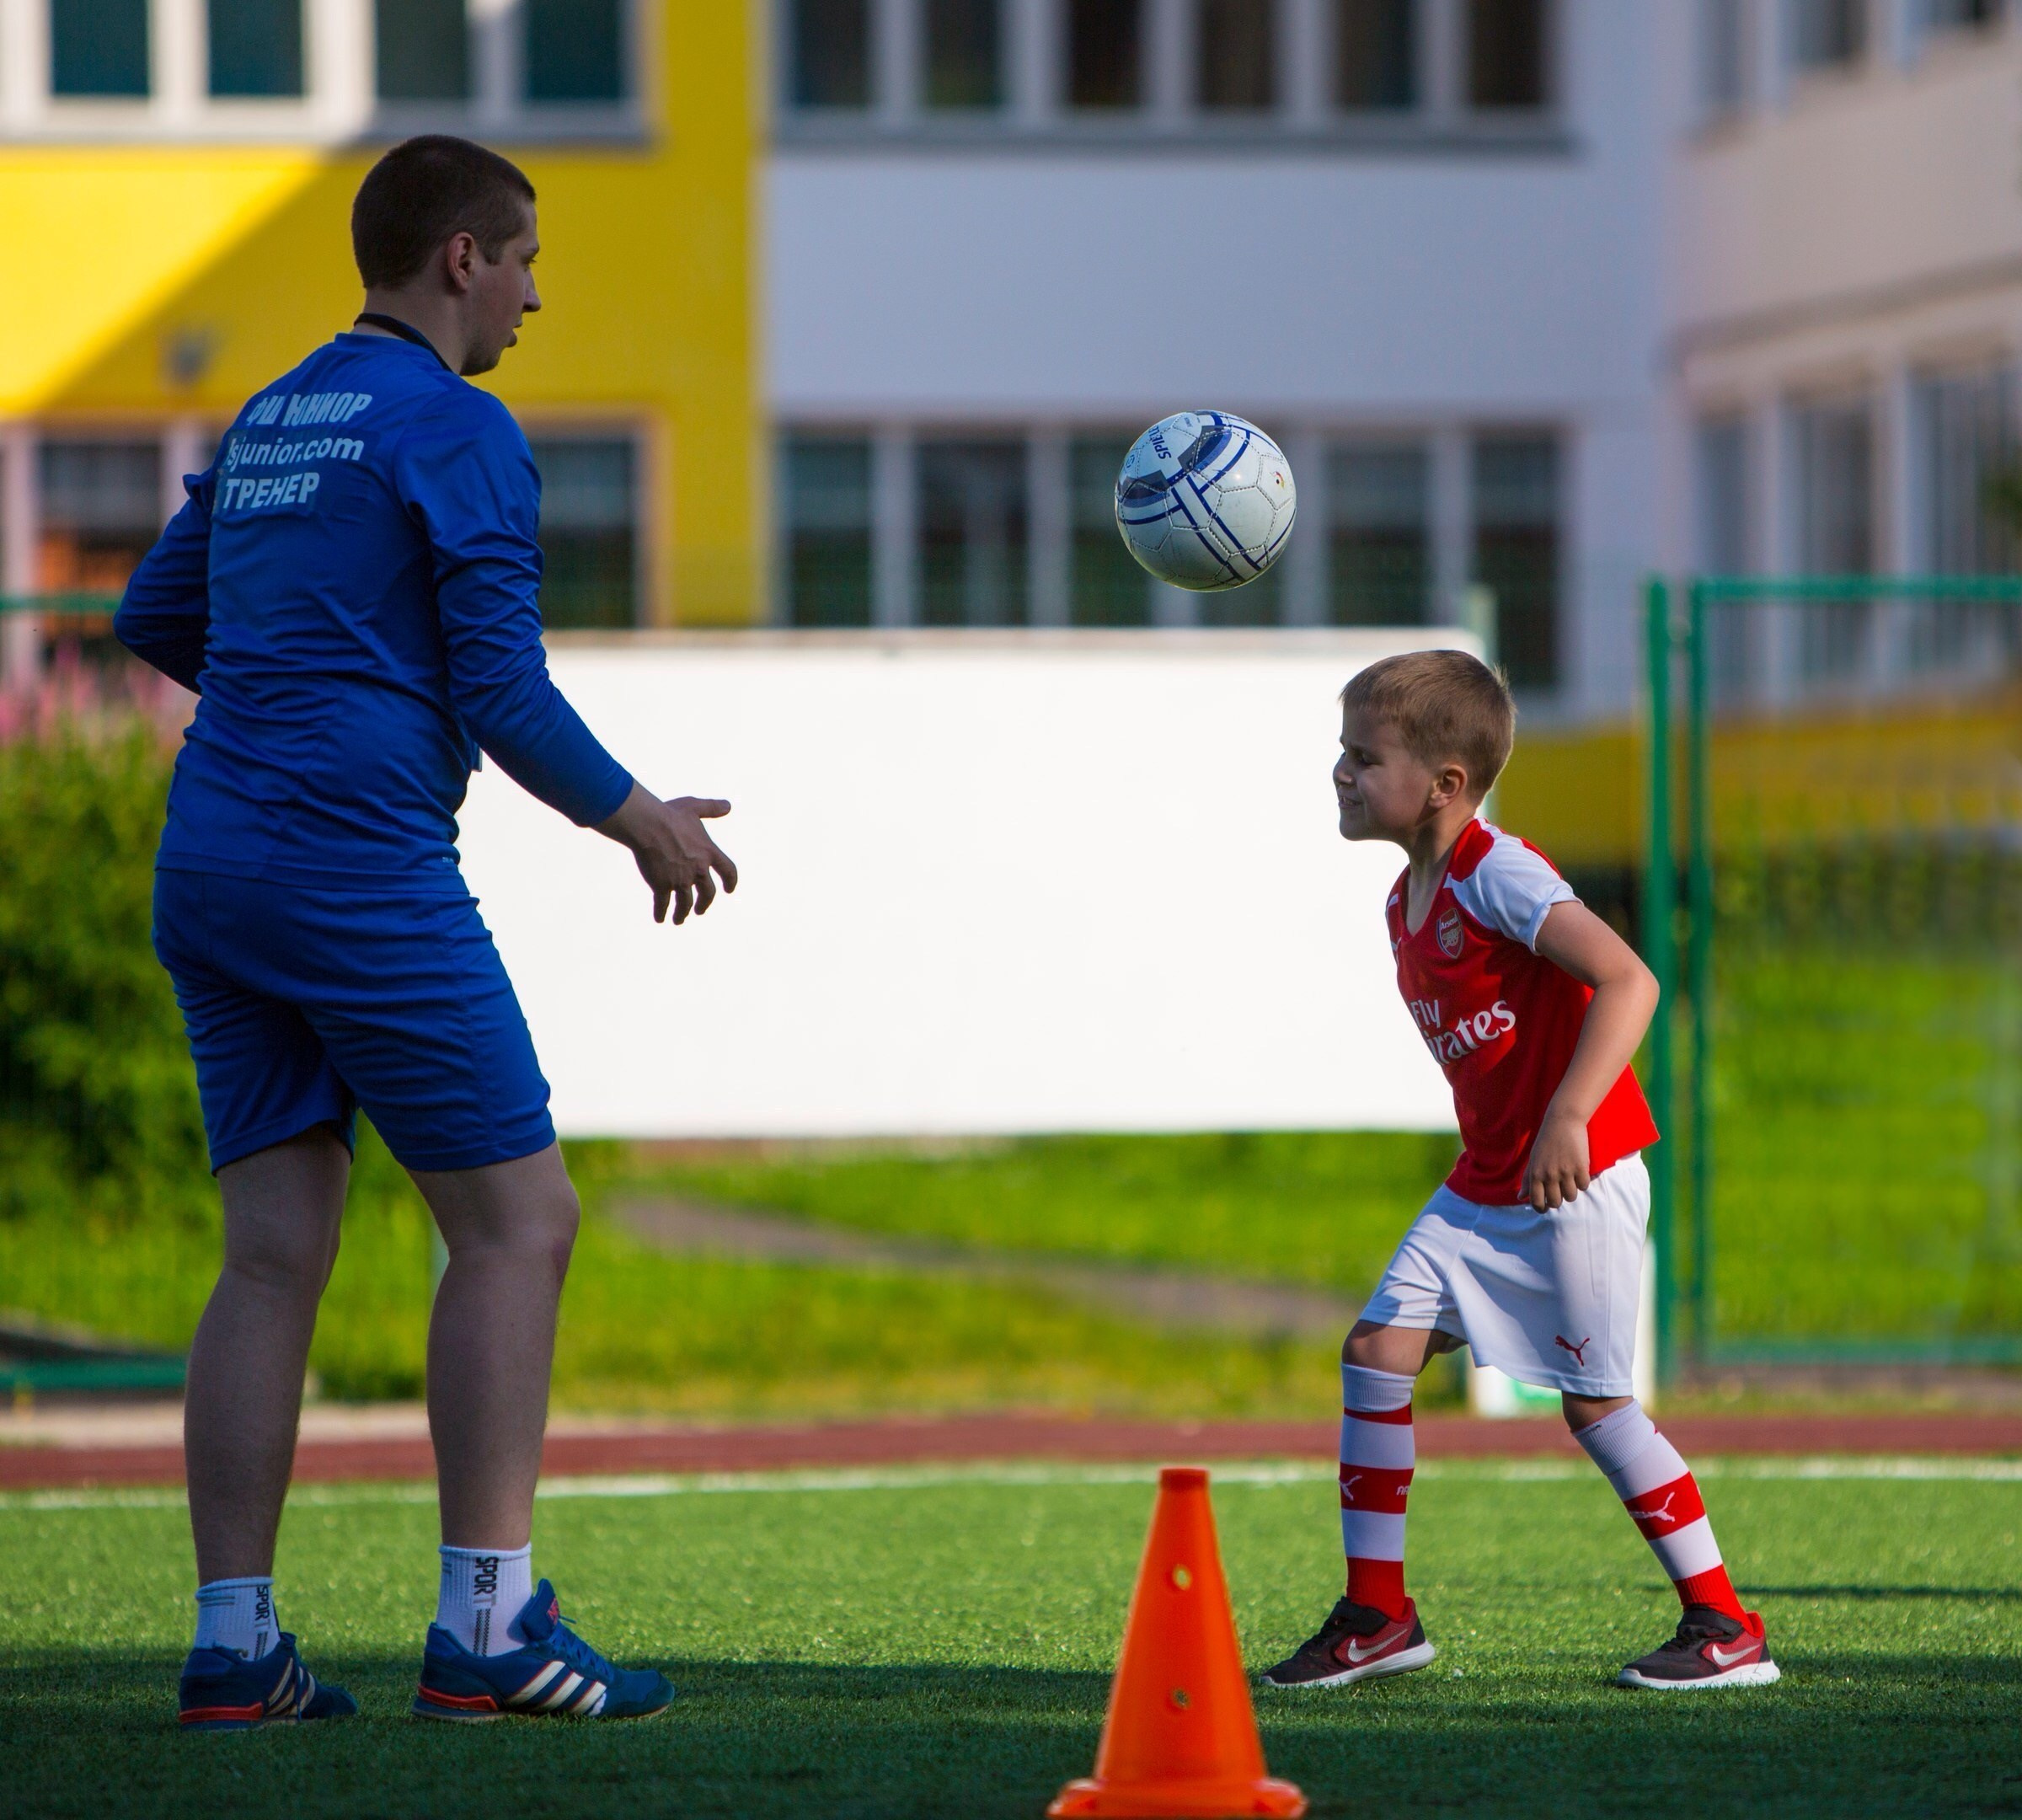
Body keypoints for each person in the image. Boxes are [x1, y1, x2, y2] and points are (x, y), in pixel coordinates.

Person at [115, 135, 736, 1730]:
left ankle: (236, 1648)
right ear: (463, 257)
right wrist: (641, 819)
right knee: (520, 1225)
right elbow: (502, 686)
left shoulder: (274, 414)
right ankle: (488, 1628)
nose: (534, 296)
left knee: (270, 1256)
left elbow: (153, 616)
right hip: (352, 870)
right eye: (525, 261)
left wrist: (303, 684)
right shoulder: (458, 425)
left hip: (214, 864)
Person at [1260, 650, 1777, 1694]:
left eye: (1365, 757)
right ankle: (1378, 1616)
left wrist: (1569, 1116)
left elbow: (1630, 980)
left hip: (1577, 1177)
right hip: (1488, 1182)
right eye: (1343, 752)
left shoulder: (1495, 869)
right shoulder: (1406, 900)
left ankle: (1725, 1626)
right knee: (1377, 1349)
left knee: (1597, 1410)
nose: (1342, 773)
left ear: (1445, 784)